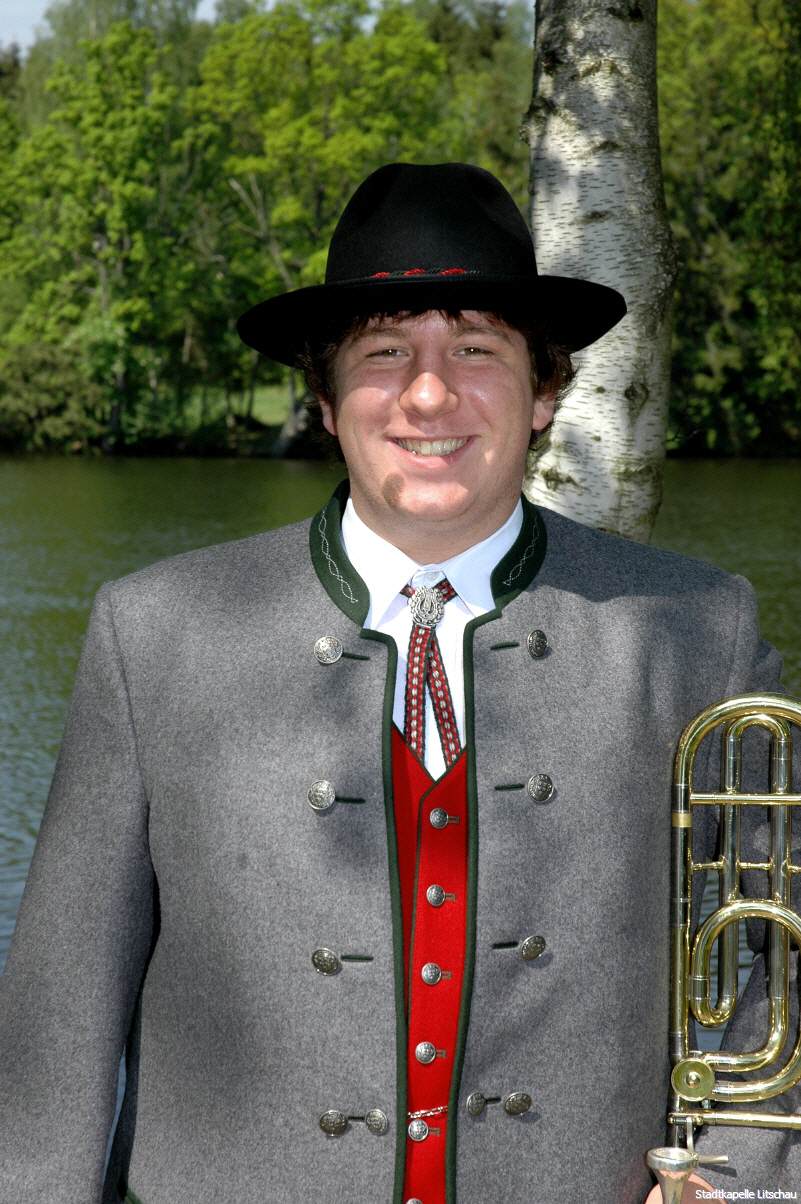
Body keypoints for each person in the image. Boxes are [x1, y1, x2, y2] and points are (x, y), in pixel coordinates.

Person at [0, 161, 795, 1204]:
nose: (428, 393)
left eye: (476, 349)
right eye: (384, 353)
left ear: (544, 391)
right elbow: (58, 1015)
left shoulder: (694, 628)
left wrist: (735, 1177)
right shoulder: (157, 633)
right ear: (325, 399)